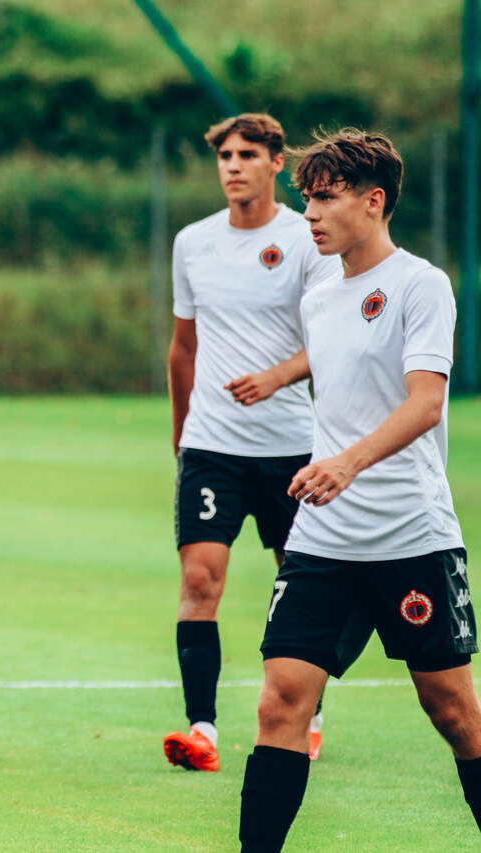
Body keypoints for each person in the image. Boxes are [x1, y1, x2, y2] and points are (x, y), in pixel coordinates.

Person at [236, 130, 481, 850]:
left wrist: (347, 464)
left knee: (453, 711)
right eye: (306, 199)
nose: (309, 213)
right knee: (281, 701)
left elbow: (425, 403)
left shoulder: (420, 284)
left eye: (325, 198)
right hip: (323, 539)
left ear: (374, 202)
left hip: (410, 535)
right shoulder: (319, 295)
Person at [163, 113, 362, 772]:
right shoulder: (193, 242)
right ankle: (202, 730)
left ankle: (308, 717)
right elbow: (183, 347)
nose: (233, 166)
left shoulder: (306, 238)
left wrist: (276, 376)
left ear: (277, 163)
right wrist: (181, 433)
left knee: (298, 584)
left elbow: (332, 336)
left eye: (247, 154)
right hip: (212, 447)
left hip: (292, 447)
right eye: (225, 155)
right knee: (199, 579)